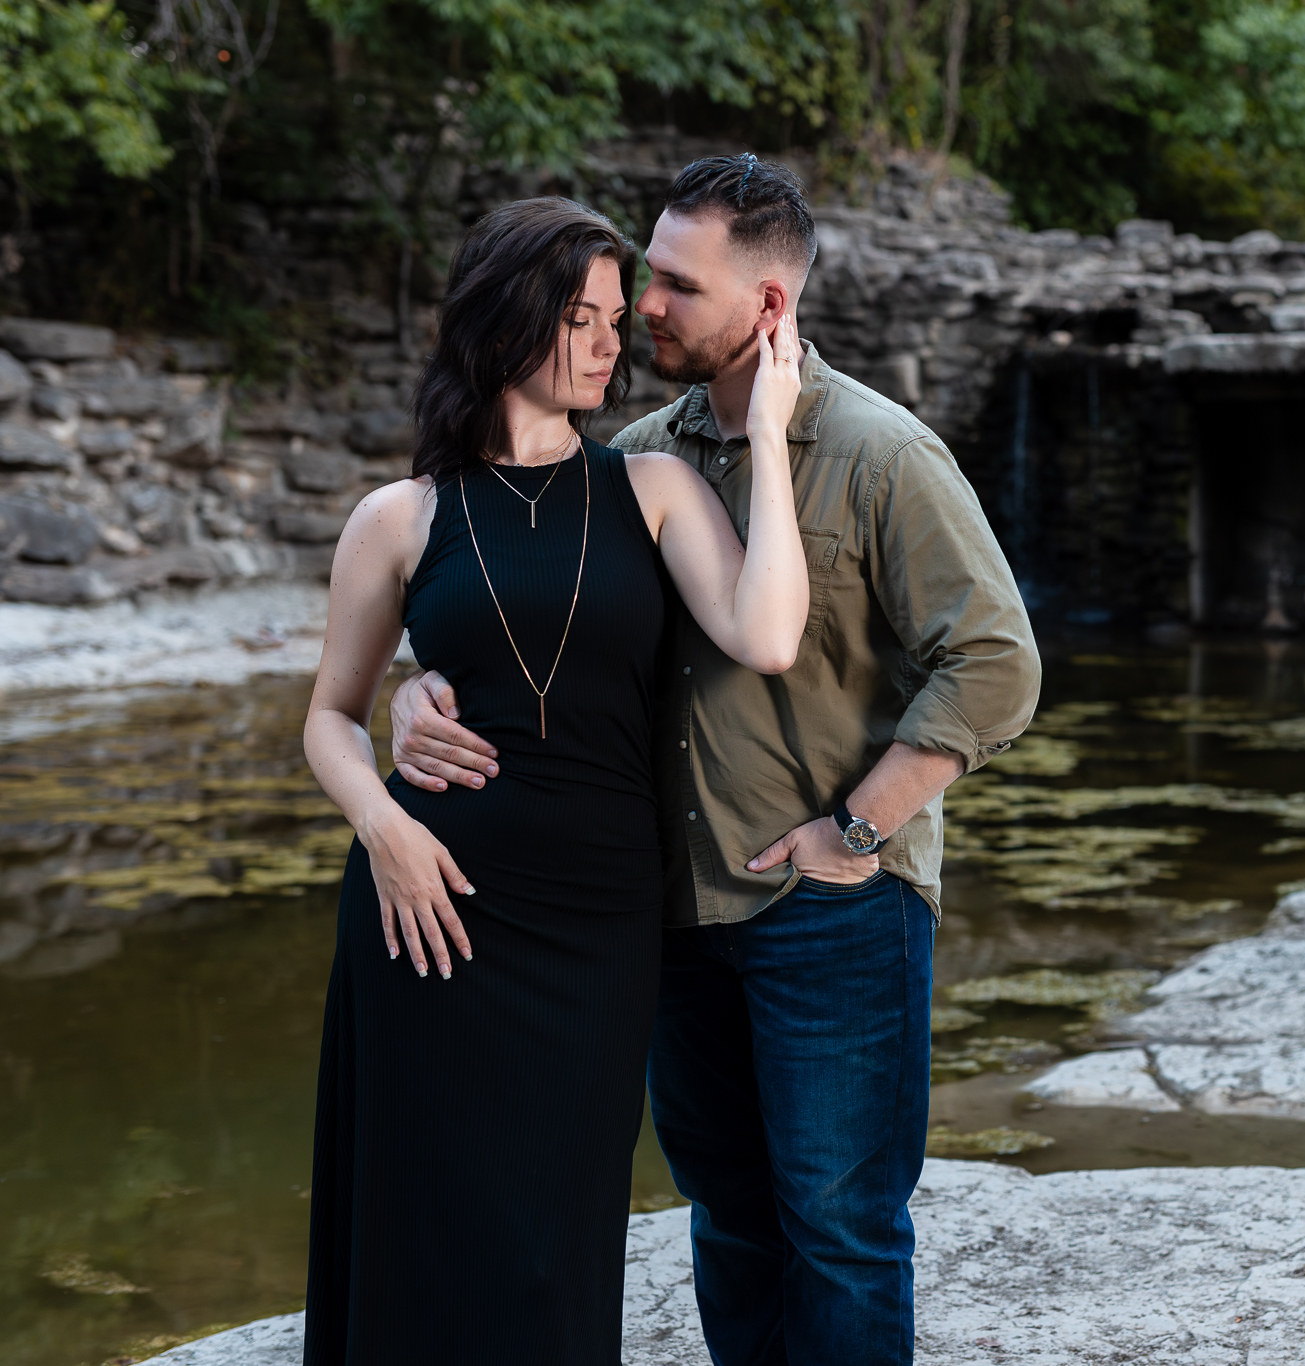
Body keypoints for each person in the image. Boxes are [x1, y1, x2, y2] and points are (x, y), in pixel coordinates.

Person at [388, 156, 1041, 1365]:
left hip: (831, 907)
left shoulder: (879, 454)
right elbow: (518, 610)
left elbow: (997, 666)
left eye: (677, 287)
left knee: (839, 1226)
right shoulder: (641, 454)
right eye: (647, 277)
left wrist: (857, 830)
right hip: (670, 911)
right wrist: (413, 687)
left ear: (769, 308)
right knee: (729, 1218)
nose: (643, 307)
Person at [299, 195, 809, 1365]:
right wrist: (381, 819)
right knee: (423, 1208)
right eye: (580, 317)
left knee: (559, 1223)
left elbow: (768, 632)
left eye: (614, 320)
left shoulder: (650, 489)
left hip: (597, 919)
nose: (607, 342)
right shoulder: (399, 517)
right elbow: (329, 717)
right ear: (503, 320)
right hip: (427, 907)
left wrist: (771, 437)